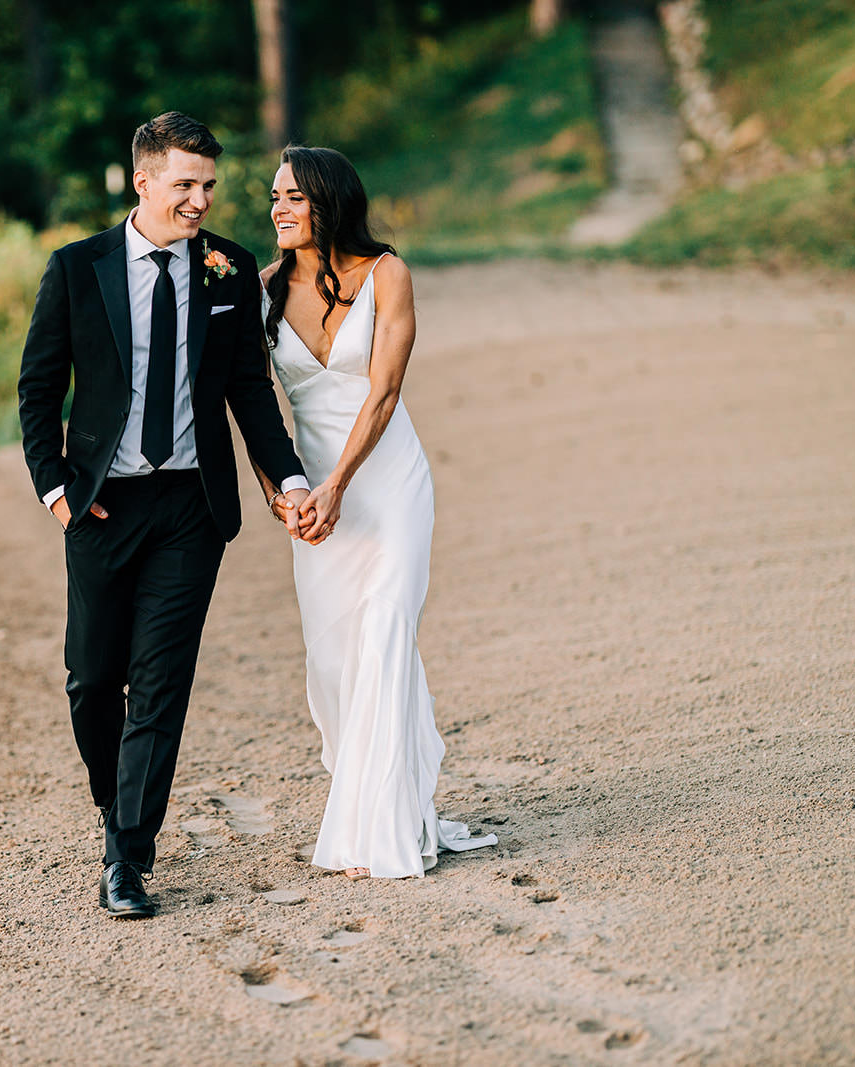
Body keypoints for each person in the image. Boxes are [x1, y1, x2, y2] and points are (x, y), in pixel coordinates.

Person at [18, 112, 311, 918]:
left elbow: (249, 390)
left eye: (209, 186)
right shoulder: (77, 270)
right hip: (102, 505)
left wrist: (286, 476)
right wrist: (58, 491)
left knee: (159, 683)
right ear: (143, 181)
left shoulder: (229, 271)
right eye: (185, 184)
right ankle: (117, 808)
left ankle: (127, 855)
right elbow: (39, 390)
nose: (199, 201)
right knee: (90, 679)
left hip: (191, 503)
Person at [253, 145, 498, 880]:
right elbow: (254, 402)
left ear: (329, 201)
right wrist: (284, 490)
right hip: (313, 498)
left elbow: (383, 393)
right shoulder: (262, 290)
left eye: (293, 197)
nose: (278, 210)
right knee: (334, 660)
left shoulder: (387, 274)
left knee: (385, 632)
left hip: (386, 484)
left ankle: (382, 829)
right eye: (273, 198)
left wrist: (340, 485)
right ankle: (381, 795)